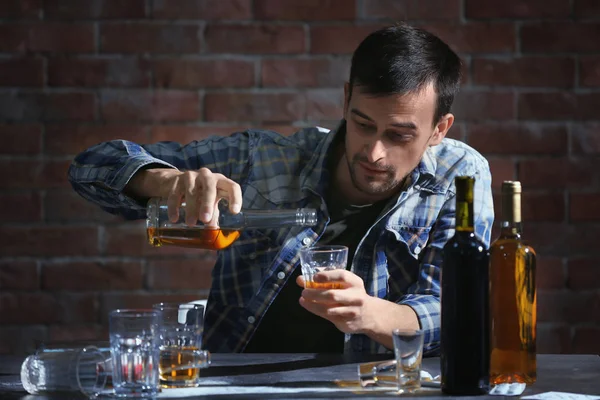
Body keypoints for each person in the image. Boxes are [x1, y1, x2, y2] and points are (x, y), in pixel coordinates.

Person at [69, 23, 494, 355]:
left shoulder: (459, 175)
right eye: (363, 124)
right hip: (235, 382)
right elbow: (90, 167)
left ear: (439, 129)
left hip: (373, 389)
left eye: (400, 135)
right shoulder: (267, 159)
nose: (375, 152)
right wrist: (166, 181)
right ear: (345, 100)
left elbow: (459, 313)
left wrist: (372, 314)